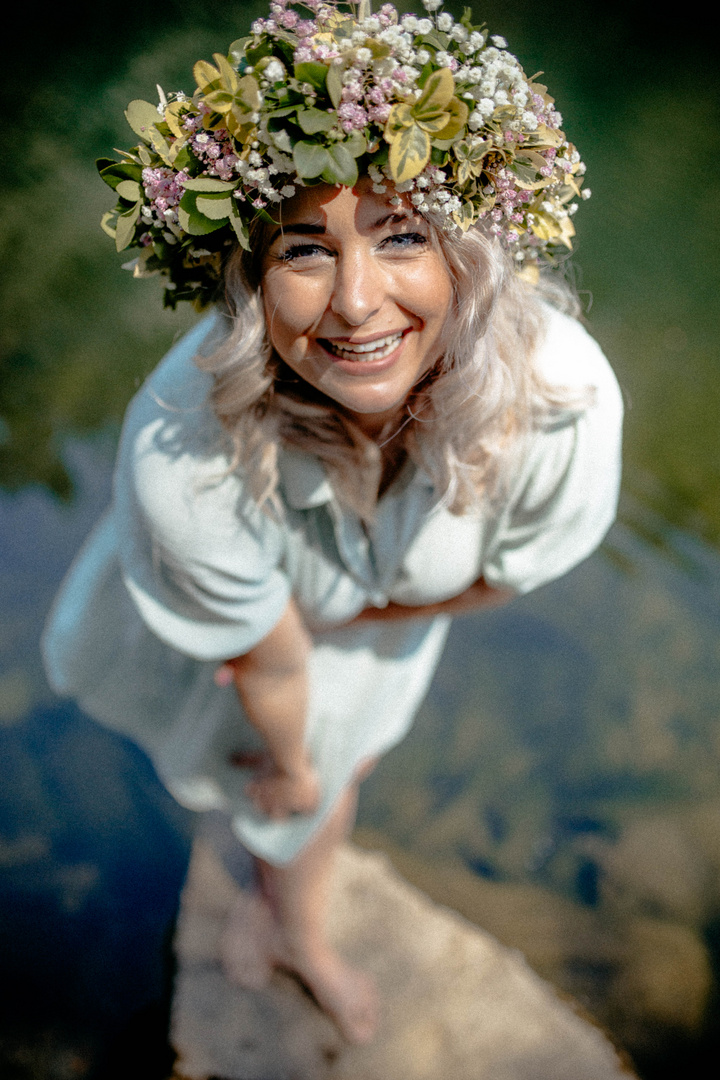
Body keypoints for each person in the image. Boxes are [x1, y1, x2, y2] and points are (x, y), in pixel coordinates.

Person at [42, 0, 622, 1046]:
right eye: (304, 249)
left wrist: (377, 618)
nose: (357, 304)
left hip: (369, 619)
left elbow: (522, 570)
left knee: (314, 773)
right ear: (247, 279)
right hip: (245, 637)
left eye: (402, 235)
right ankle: (294, 930)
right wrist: (296, 769)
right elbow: (269, 666)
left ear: (469, 252)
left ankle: (274, 883)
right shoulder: (181, 452)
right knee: (293, 782)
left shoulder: (564, 396)